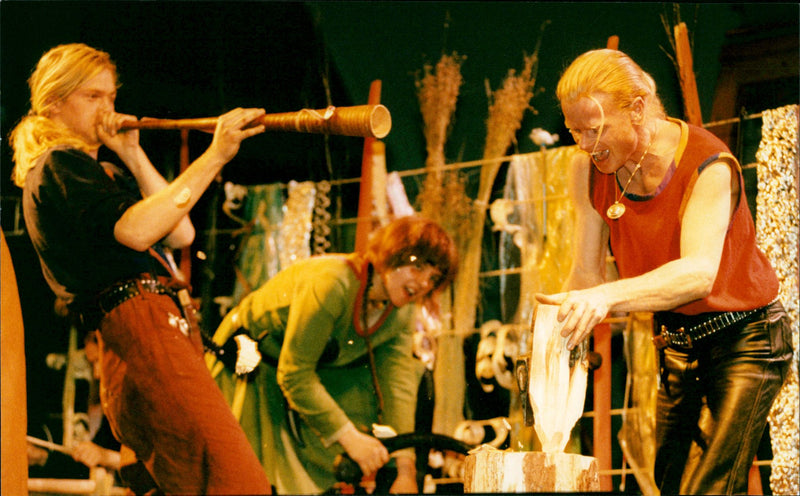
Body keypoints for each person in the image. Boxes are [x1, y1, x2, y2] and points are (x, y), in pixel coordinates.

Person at [10, 43, 272, 494]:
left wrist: (132, 154)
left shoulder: (98, 170)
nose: (108, 108)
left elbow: (180, 233)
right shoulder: (58, 165)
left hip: (147, 327)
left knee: (180, 480)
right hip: (142, 324)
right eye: (93, 96)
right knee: (233, 477)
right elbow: (136, 231)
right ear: (54, 101)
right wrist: (215, 157)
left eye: (111, 97)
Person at [535, 48, 793, 495]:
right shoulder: (589, 168)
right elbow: (586, 273)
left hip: (747, 338)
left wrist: (605, 299)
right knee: (670, 483)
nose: (582, 143)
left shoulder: (710, 164)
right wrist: (561, 322)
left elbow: (696, 274)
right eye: (574, 130)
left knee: (709, 488)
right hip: (677, 341)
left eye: (593, 129)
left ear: (637, 109)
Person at [210, 215, 457, 494]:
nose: (423, 282)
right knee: (234, 477)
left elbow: (397, 387)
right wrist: (350, 438)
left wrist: (405, 471)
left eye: (433, 277)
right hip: (244, 366)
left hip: (286, 380)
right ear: (392, 252)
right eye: (417, 265)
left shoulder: (401, 313)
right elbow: (295, 374)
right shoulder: (332, 282)